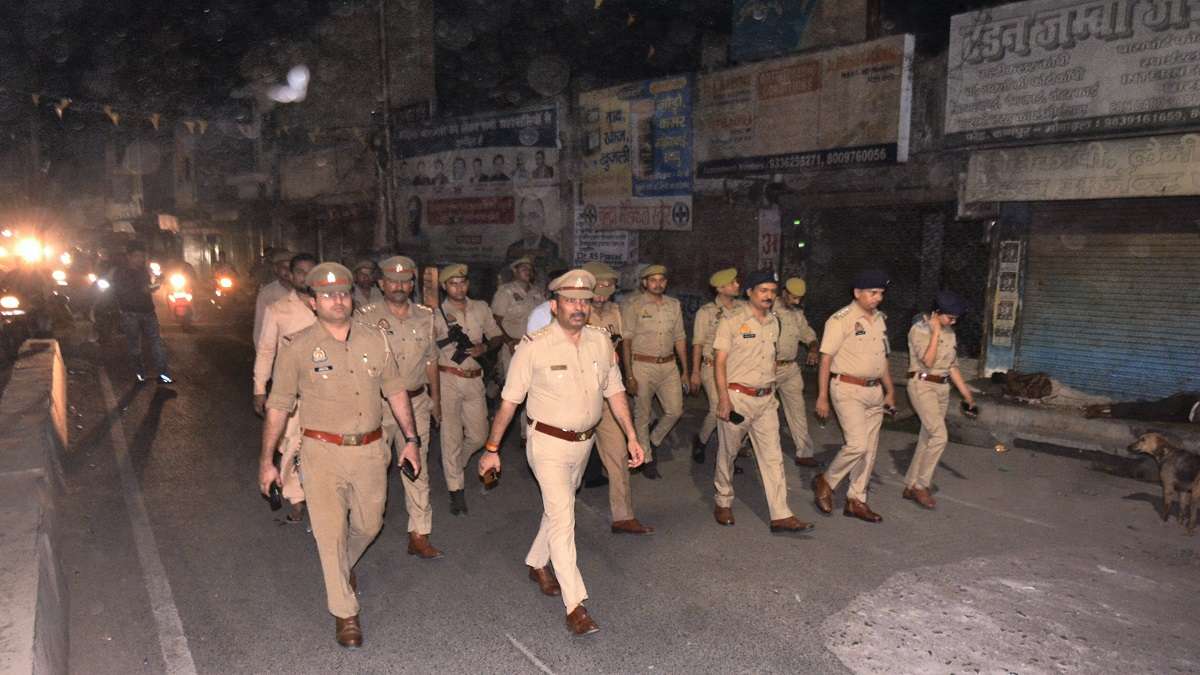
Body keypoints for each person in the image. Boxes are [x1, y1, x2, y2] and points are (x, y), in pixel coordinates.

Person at [257, 262, 422, 648]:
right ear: (313, 302)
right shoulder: (296, 347)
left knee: (370, 524)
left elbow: (395, 391)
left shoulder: (374, 340)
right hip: (321, 453)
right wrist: (267, 461)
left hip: (370, 451)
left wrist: (411, 439)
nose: (338, 300)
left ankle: (341, 567)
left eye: (344, 293)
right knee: (329, 534)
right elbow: (278, 406)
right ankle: (345, 612)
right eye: (328, 295)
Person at [478, 269, 644, 636]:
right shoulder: (534, 346)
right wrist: (492, 448)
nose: (579, 307)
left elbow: (614, 392)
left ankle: (537, 561)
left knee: (560, 506)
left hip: (583, 443)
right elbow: (508, 403)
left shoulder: (601, 341)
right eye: (571, 300)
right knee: (564, 517)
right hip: (547, 443)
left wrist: (632, 436)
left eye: (584, 301)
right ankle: (576, 605)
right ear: (554, 306)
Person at [712, 270, 814, 533]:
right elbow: (720, 362)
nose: (769, 296)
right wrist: (724, 399)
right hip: (738, 398)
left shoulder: (774, 322)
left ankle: (781, 514)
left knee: (773, 457)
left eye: (772, 291)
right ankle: (723, 501)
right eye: (763, 290)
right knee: (729, 453)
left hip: (766, 399)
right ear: (750, 293)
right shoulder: (732, 321)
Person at [356, 256, 444, 557]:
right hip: (378, 405)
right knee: (372, 470)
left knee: (416, 469)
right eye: (392, 280)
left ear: (412, 285)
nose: (399, 286)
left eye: (405, 280)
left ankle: (419, 533)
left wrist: (436, 401)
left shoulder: (424, 316)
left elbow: (431, 360)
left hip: (417, 401)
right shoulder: (365, 317)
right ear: (381, 284)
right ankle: (362, 528)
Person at [812, 270, 895, 523]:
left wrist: (890, 390)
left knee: (868, 451)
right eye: (873, 293)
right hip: (847, 389)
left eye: (881, 293)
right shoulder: (841, 320)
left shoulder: (880, 320)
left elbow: (882, 361)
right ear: (857, 293)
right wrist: (822, 396)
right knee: (857, 444)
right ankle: (826, 480)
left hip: (874, 391)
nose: (878, 298)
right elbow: (825, 359)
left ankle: (857, 500)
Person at [583, 262, 654, 533]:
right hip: (580, 395)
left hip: (608, 391)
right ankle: (557, 517)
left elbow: (622, 344)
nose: (601, 297)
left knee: (617, 454)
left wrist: (628, 376)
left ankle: (623, 516)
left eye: (606, 291)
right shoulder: (576, 313)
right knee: (569, 462)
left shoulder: (616, 312)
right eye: (596, 291)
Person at [252, 253, 318, 522]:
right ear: (291, 276)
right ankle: (296, 496)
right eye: (300, 272)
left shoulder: (329, 306)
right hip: (291, 392)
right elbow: (266, 350)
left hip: (326, 392)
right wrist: (259, 387)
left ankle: (323, 496)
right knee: (291, 446)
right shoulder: (278, 309)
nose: (305, 276)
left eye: (311, 271)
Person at [435, 264, 504, 515]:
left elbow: (497, 336)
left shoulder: (481, 308)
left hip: (475, 378)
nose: (459, 287)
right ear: (444, 286)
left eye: (462, 282)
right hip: (448, 379)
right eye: (453, 283)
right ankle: (456, 490)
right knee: (451, 436)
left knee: (478, 435)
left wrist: (483, 349)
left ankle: (455, 464)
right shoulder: (434, 313)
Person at [904, 290, 978, 509]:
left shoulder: (950, 332)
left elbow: (952, 366)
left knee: (927, 437)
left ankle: (910, 484)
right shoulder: (919, 330)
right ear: (937, 312)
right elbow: (927, 361)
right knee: (939, 436)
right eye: (949, 318)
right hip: (922, 385)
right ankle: (921, 486)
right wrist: (935, 333)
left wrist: (966, 393)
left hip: (942, 388)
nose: (953, 322)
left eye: (955, 319)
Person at [621, 264, 689, 479]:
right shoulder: (634, 305)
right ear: (644, 283)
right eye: (653, 280)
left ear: (665, 283)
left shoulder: (673, 305)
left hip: (668, 365)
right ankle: (647, 459)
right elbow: (626, 342)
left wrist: (685, 370)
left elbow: (679, 338)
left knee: (675, 410)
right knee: (642, 414)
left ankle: (652, 440)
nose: (658, 284)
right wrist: (629, 374)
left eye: (661, 280)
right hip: (642, 365)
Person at [690, 267, 743, 463]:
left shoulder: (743, 309)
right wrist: (695, 372)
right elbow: (698, 343)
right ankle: (702, 441)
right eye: (732, 283)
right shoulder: (706, 312)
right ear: (720, 288)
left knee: (736, 408)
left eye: (737, 281)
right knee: (718, 409)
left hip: (735, 367)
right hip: (711, 367)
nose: (737, 285)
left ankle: (730, 455)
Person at [111, 241, 172, 384]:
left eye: (142, 256)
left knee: (155, 343)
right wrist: (158, 282)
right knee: (136, 345)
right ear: (129, 256)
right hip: (130, 313)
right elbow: (145, 289)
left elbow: (146, 288)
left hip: (146, 311)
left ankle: (161, 374)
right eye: (136, 256)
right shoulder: (122, 272)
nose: (140, 259)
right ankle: (141, 373)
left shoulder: (141, 270)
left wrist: (155, 283)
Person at [776, 278, 821, 467]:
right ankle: (740, 443)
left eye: (800, 299)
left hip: (791, 369)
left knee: (798, 409)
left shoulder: (797, 314)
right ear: (784, 292)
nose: (797, 302)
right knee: (758, 409)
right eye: (794, 298)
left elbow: (809, 335)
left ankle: (804, 452)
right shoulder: (768, 310)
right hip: (769, 368)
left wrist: (813, 348)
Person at [491, 256, 545, 378]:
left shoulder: (538, 292)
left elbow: (544, 320)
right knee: (514, 388)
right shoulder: (505, 291)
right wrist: (509, 342)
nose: (528, 271)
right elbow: (495, 321)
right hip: (513, 346)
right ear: (515, 271)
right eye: (523, 268)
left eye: (530, 269)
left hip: (534, 347)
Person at [505, 196, 561, 271]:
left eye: (533, 216)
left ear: (543, 219)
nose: (526, 223)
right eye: (522, 216)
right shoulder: (512, 249)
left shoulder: (551, 248)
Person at [254, 249, 295, 344]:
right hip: (279, 347)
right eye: (283, 267)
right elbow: (260, 326)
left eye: (291, 267)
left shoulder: (304, 291)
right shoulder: (267, 293)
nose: (287, 270)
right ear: (276, 269)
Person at [1084, 393, 1200, 423]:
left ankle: (1101, 413)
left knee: (1145, 416)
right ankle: (1099, 407)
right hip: (1186, 405)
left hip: (1185, 416)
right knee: (1144, 409)